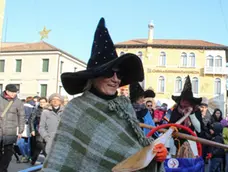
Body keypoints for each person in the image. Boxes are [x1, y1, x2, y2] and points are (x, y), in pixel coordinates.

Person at [42, 18, 167, 172]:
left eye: (119, 74)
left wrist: (156, 153)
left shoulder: (124, 105)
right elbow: (62, 155)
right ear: (95, 75)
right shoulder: (77, 108)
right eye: (109, 72)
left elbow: (137, 146)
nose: (115, 79)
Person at [170, 75, 203, 158]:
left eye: (186, 104)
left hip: (192, 145)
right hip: (176, 144)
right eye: (182, 104)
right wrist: (184, 116)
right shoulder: (176, 110)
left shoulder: (196, 111)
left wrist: (190, 114)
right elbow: (171, 126)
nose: (184, 106)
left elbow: (198, 129)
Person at [0, 84, 25, 171]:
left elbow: (21, 116)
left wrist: (21, 130)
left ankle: (3, 169)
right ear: (6, 91)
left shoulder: (18, 102)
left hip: (11, 131)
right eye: (12, 92)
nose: (14, 94)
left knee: (8, 153)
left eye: (15, 92)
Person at [29, 97, 48, 165]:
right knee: (41, 145)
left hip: (48, 131)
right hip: (39, 130)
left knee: (38, 147)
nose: (42, 103)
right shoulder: (36, 110)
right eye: (41, 102)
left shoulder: (50, 110)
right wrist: (32, 130)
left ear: (46, 102)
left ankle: (33, 160)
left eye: (43, 102)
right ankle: (48, 161)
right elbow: (31, 120)